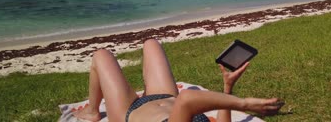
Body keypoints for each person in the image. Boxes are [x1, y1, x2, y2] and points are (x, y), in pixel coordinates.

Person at [74, 39, 282, 122]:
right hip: (165, 97)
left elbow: (188, 99)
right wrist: (228, 87)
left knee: (101, 55)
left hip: (130, 111)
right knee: (151, 44)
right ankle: (146, 89)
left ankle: (93, 111)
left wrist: (244, 103)